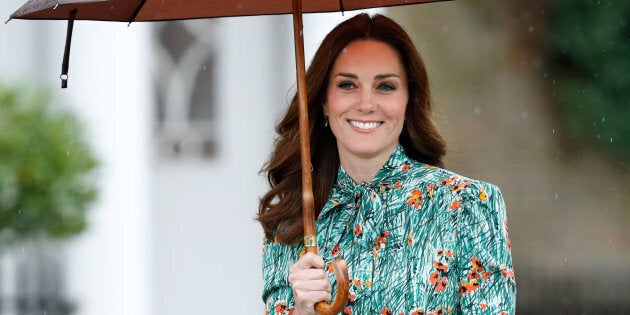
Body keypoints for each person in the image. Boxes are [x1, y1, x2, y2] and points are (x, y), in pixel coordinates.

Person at [258, 13, 516, 315]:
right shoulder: (291, 224)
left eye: (385, 86)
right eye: (347, 85)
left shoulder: (468, 206)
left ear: (409, 101)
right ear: (325, 102)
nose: (366, 104)